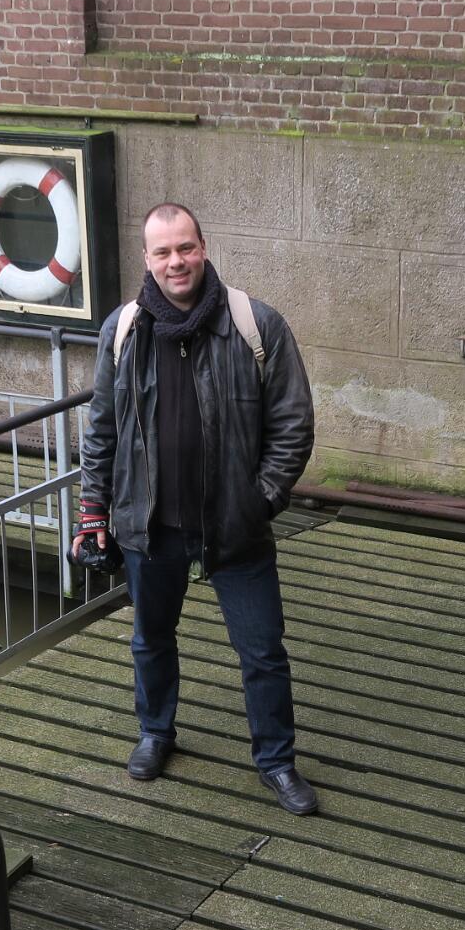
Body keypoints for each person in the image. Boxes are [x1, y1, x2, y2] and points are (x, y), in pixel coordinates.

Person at [75, 202, 319, 815]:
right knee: (151, 638)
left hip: (235, 526)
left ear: (203, 249)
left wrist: (260, 500)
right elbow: (101, 427)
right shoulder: (123, 331)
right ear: (147, 258)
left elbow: (293, 424)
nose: (175, 261)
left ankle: (277, 761)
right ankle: (155, 733)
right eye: (163, 251)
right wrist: (93, 510)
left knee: (263, 650)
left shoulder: (256, 325)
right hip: (149, 523)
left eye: (185, 248)